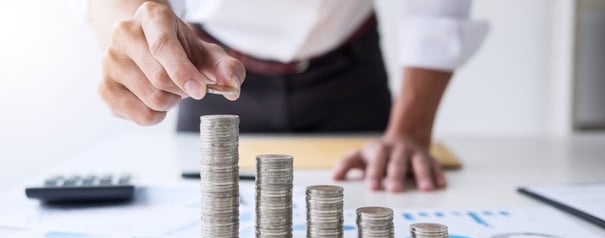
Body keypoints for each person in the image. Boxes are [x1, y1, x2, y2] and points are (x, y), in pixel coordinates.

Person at [89, 0, 488, 193]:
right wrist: (132, 37)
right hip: (208, 65)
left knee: (378, 207)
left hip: (349, 70)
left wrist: (410, 130)